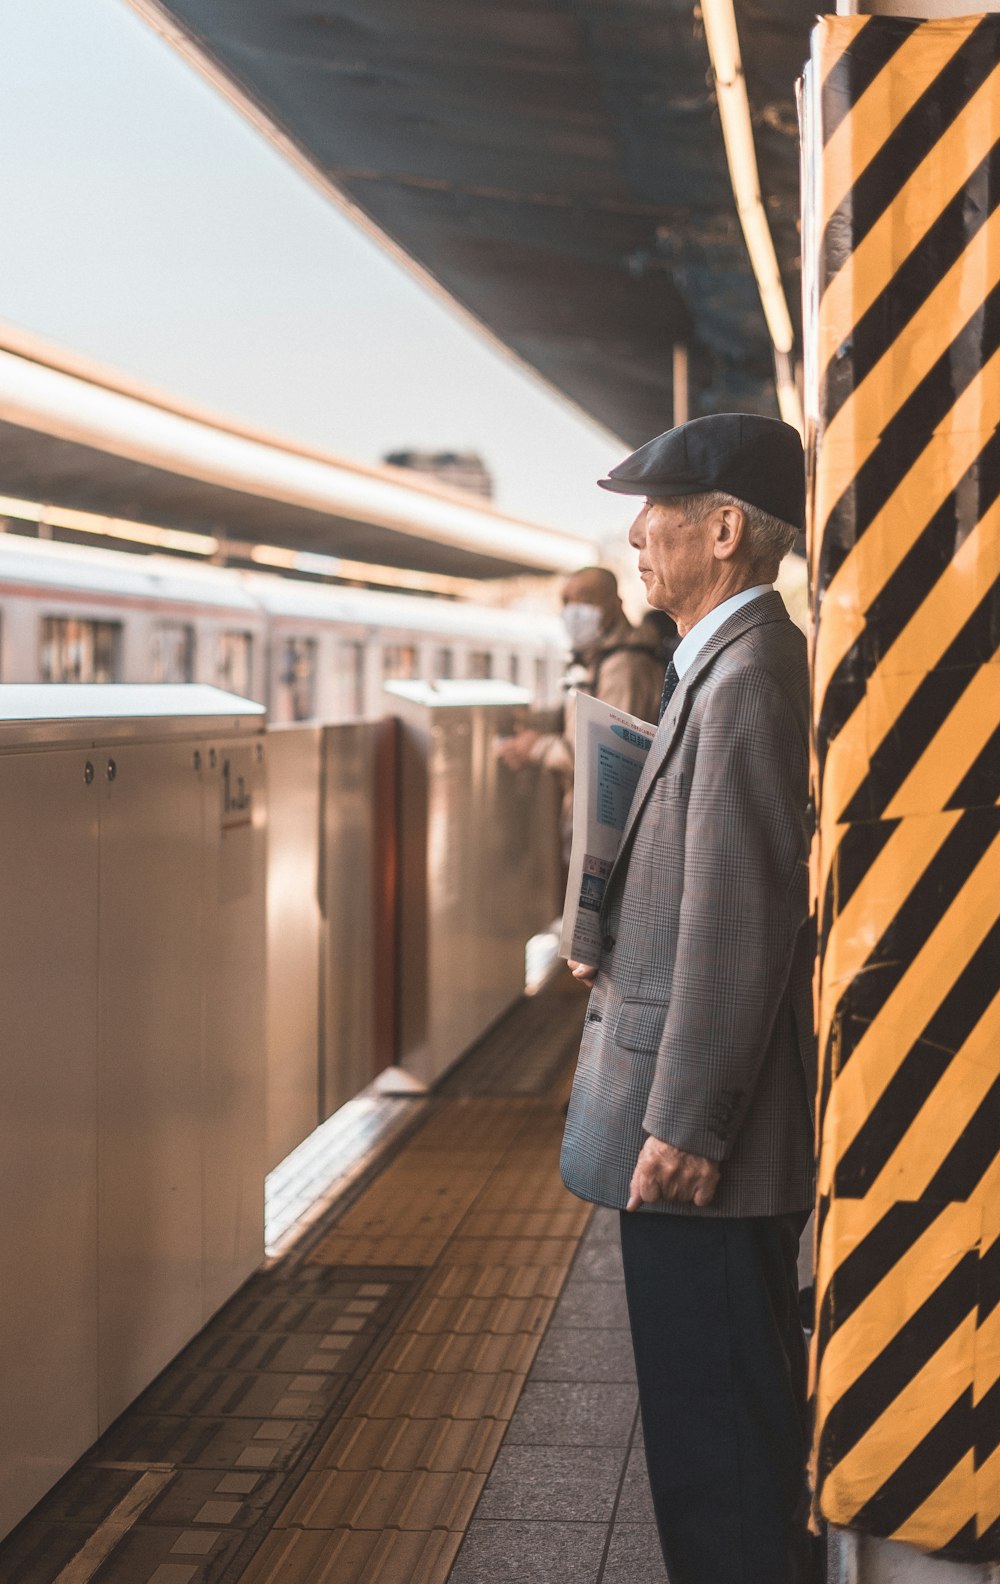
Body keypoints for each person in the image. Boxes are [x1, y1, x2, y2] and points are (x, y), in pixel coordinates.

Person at [559, 414, 818, 1584]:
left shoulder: (749, 676)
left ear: (721, 529)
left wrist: (686, 1126)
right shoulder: (720, 661)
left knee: (716, 1446)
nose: (635, 535)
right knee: (715, 1423)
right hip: (692, 1124)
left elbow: (741, 921)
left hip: (699, 1148)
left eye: (655, 513)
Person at [496, 566, 663, 859]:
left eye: (584, 600)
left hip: (611, 833)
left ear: (615, 605)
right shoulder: (598, 659)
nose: (572, 611)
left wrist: (537, 748)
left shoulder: (624, 668)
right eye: (566, 601)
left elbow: (608, 759)